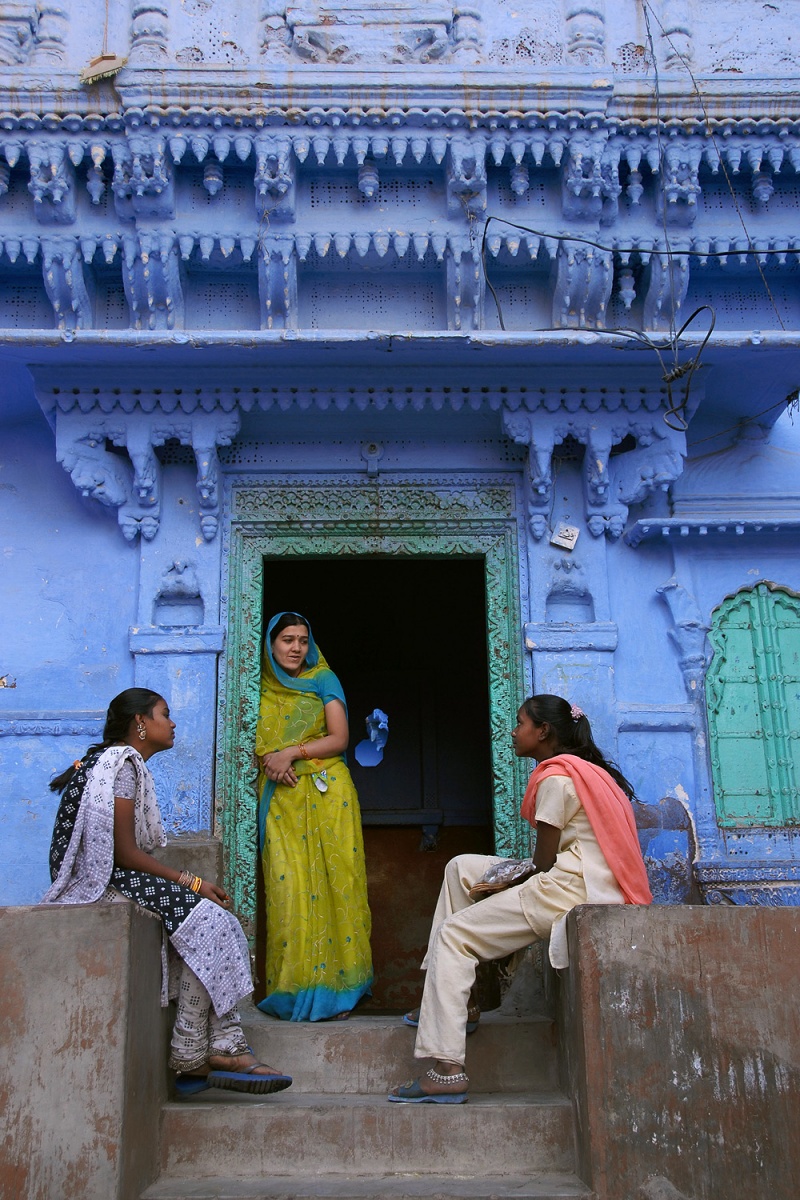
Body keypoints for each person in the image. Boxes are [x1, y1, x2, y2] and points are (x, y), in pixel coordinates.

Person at [389, 693, 652, 1104]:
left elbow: (543, 864)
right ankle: (465, 1004)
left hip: (568, 888)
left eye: (521, 723)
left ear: (542, 731)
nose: (513, 731)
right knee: (461, 867)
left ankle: (445, 1069)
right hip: (580, 876)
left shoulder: (555, 779)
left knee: (453, 936)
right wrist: (500, 880)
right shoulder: (582, 770)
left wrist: (506, 887)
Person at [42, 687, 292, 1096]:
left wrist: (187, 885)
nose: (172, 722)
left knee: (211, 922)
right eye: (164, 713)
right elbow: (122, 852)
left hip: (112, 874)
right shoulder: (120, 765)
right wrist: (190, 881)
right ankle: (205, 1048)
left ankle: (202, 1048)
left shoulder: (115, 763)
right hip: (98, 880)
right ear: (141, 722)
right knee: (211, 919)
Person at [255, 611, 373, 1021]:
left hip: (328, 792)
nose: (295, 648)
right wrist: (271, 760)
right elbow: (251, 739)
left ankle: (342, 993)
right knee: (290, 893)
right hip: (281, 799)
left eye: (303, 640)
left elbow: (339, 738)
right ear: (271, 644)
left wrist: (291, 752)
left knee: (339, 884)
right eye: (287, 639)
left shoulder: (324, 679)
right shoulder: (255, 685)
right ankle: (291, 991)